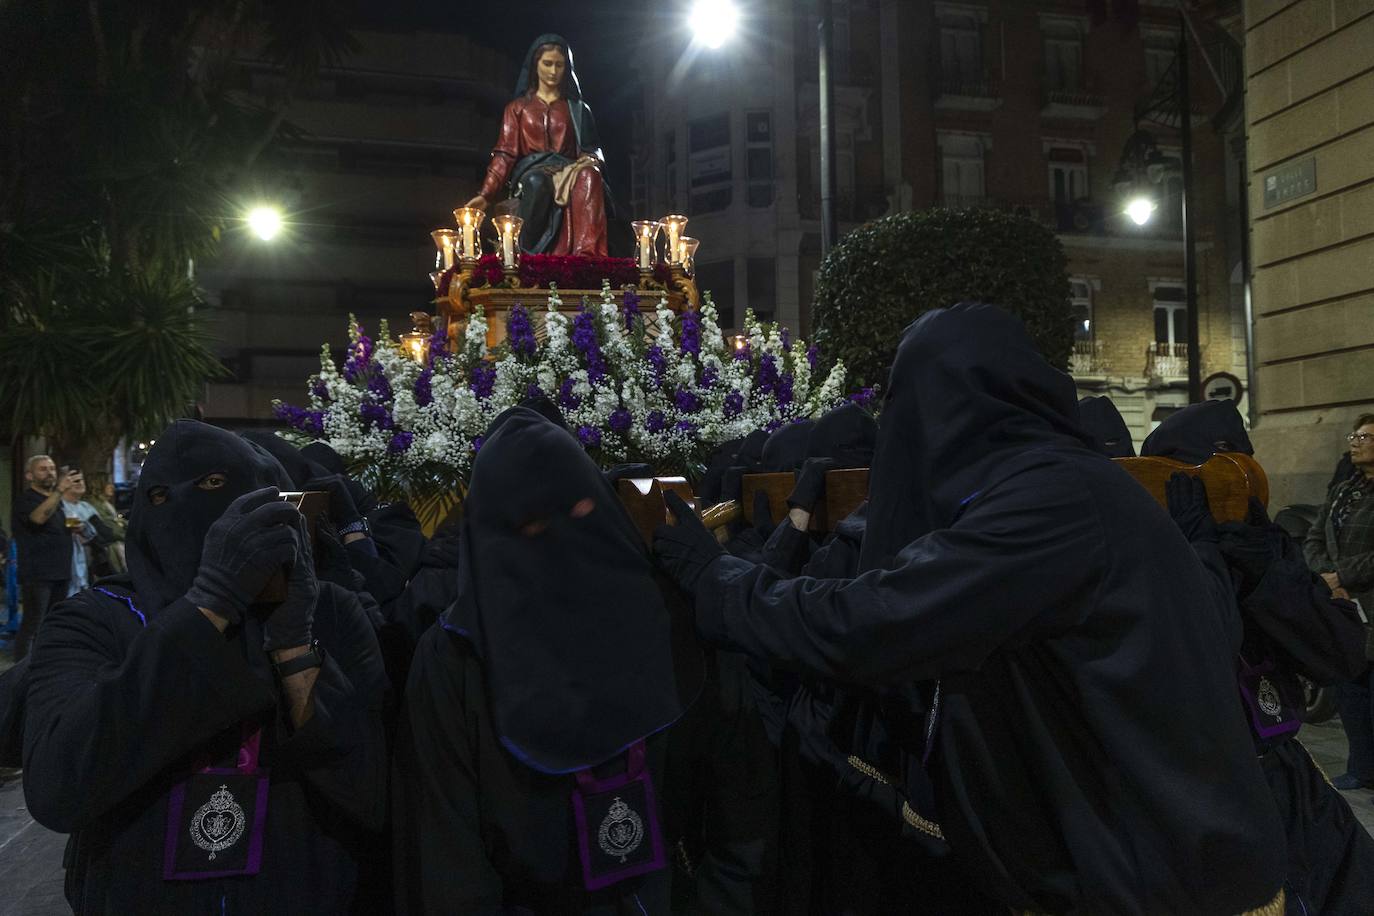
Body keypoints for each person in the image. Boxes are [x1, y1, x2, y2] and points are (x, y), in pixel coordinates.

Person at [653, 303, 1287, 914]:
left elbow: (872, 621)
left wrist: (715, 578)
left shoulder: (1051, 499)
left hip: (1151, 877)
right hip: (1127, 862)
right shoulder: (1054, 481)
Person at [393, 408, 774, 914]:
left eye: (578, 511)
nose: (559, 540)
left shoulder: (671, 621)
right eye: (530, 525)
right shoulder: (453, 659)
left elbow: (743, 811)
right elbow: (450, 863)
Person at [21, 420, 388, 914]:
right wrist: (210, 604)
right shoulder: (97, 618)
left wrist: (293, 645)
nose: (197, 507)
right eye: (164, 495)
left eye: (221, 486)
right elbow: (60, 786)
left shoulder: (329, 611)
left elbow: (367, 790)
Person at [1145, 400, 1374, 913]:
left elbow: (1339, 654)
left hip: (1278, 775)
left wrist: (1269, 573)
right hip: (1188, 791)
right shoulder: (1135, 552)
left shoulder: (1259, 544)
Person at [464, 34, 610, 256]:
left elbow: (592, 149)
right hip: (532, 173)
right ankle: (527, 256)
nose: (553, 71)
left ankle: (588, 257)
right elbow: (505, 154)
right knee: (537, 183)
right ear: (535, 65)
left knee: (590, 176)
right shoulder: (517, 108)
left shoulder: (579, 109)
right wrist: (486, 194)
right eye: (547, 64)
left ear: (567, 69)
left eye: (559, 65)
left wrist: (591, 160)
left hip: (569, 173)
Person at [1305, 413, 1374, 791]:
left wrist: (1341, 575)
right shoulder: (1344, 489)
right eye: (1355, 435)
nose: (1356, 441)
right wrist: (1326, 577)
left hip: (1367, 598)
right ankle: (1361, 767)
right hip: (1343, 606)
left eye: (1365, 437)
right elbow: (1315, 535)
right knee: (1350, 692)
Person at [9, 456, 82, 660]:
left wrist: (73, 528)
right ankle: (19, 672)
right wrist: (59, 490)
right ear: (29, 476)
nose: (50, 472)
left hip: (60, 572)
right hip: (38, 574)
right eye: (43, 469)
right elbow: (37, 519)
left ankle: (45, 665)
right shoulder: (26, 500)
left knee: (52, 622)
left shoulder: (55, 501)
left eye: (52, 468)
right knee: (33, 624)